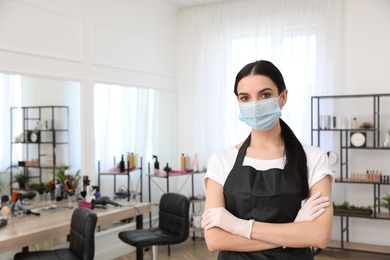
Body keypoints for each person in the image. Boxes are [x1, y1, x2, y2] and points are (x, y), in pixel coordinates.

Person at [201, 60, 333, 259]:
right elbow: (215, 240)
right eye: (245, 98)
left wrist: (238, 226)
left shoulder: (313, 158)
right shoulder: (221, 160)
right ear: (238, 102)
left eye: (265, 95)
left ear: (283, 97)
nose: (255, 105)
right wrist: (294, 231)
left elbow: (319, 235)